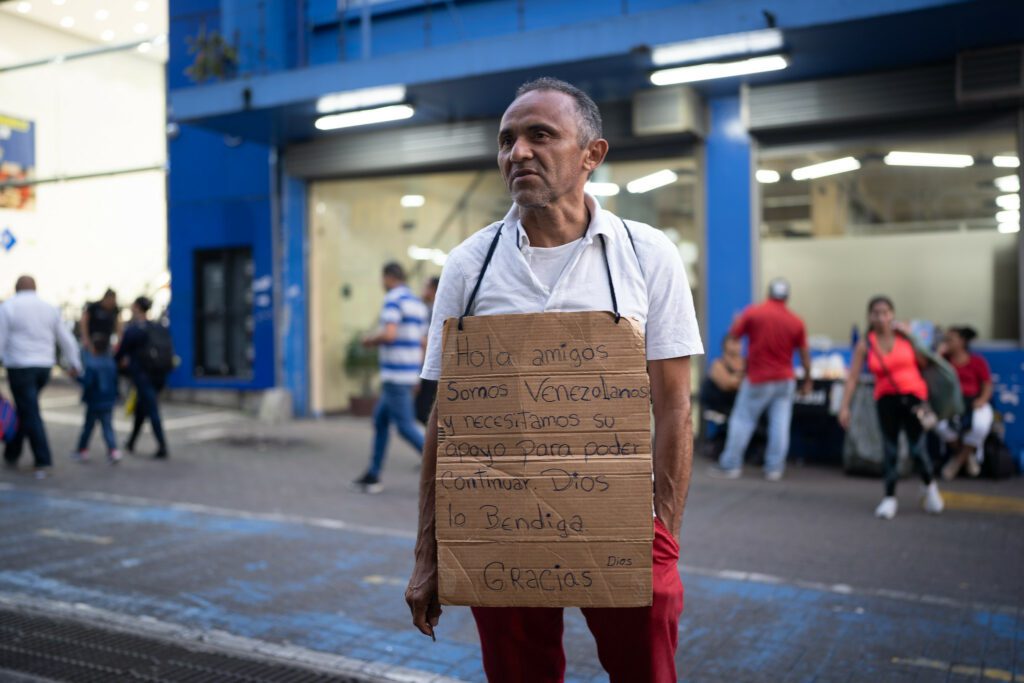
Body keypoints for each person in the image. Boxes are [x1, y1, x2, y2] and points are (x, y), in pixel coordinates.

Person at [405, 77, 702, 683]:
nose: (518, 152)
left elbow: (675, 406)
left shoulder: (647, 256)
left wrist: (662, 537)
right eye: (507, 139)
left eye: (541, 135)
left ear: (592, 154)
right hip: (498, 525)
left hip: (620, 523)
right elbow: (446, 416)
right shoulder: (469, 265)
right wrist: (428, 552)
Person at [838, 296, 943, 520]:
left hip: (915, 398)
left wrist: (912, 337)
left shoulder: (905, 337)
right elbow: (853, 377)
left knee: (918, 448)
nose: (881, 317)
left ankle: (930, 486)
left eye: (885, 312)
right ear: (869, 316)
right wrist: (844, 407)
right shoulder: (866, 343)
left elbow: (926, 363)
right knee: (890, 450)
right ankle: (889, 498)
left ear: (893, 314)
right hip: (886, 400)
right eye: (876, 313)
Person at [709, 278, 812, 481]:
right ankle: (774, 469)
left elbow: (733, 335)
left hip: (758, 378)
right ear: (787, 297)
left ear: (768, 293)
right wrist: (808, 380)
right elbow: (805, 355)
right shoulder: (796, 321)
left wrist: (736, 321)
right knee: (780, 424)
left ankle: (731, 464)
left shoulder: (754, 313)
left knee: (742, 420)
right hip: (785, 380)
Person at [352, 263, 429, 493]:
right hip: (407, 372)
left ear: (388, 277)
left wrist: (369, 340)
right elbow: (423, 343)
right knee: (380, 420)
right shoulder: (417, 304)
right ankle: (373, 474)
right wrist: (417, 373)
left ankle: (444, 466)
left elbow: (390, 333)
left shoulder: (393, 299)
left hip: (395, 374)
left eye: (382, 278)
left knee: (405, 426)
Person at [0, 275, 83, 478]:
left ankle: (43, 459)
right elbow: (66, 338)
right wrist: (76, 364)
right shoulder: (49, 308)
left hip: (20, 367)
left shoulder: (8, 306)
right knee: (26, 408)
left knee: (30, 411)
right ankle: (12, 452)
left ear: (16, 288)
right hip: (44, 368)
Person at [936, 326, 993, 479]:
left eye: (950, 339)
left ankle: (957, 461)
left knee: (980, 425)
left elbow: (987, 384)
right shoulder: (944, 361)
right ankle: (967, 458)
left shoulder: (977, 361)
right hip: (951, 405)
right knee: (940, 426)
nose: (946, 343)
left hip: (973, 402)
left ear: (962, 341)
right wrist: (939, 355)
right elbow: (932, 375)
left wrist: (981, 400)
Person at [116, 297, 169, 459]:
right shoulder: (159, 327)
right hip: (160, 374)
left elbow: (120, 353)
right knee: (142, 408)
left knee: (151, 409)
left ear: (137, 307)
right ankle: (131, 442)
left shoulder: (134, 330)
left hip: (142, 375)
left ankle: (162, 446)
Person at [73, 336, 121, 464]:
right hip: (108, 401)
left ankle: (82, 450)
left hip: (94, 401)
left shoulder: (92, 364)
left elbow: (87, 382)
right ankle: (113, 450)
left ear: (94, 348)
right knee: (107, 427)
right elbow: (116, 382)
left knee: (88, 427)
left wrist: (75, 377)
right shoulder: (111, 363)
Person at [415, 276, 440, 425]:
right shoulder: (427, 308)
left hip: (429, 365)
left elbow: (426, 341)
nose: (423, 291)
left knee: (424, 411)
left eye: (426, 287)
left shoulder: (432, 311)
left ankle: (428, 447)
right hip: (430, 364)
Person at [80, 288, 122, 354]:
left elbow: (118, 326)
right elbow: (84, 322)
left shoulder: (114, 309)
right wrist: (85, 338)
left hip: (107, 341)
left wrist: (118, 340)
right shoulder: (94, 307)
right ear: (106, 299)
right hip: (92, 340)